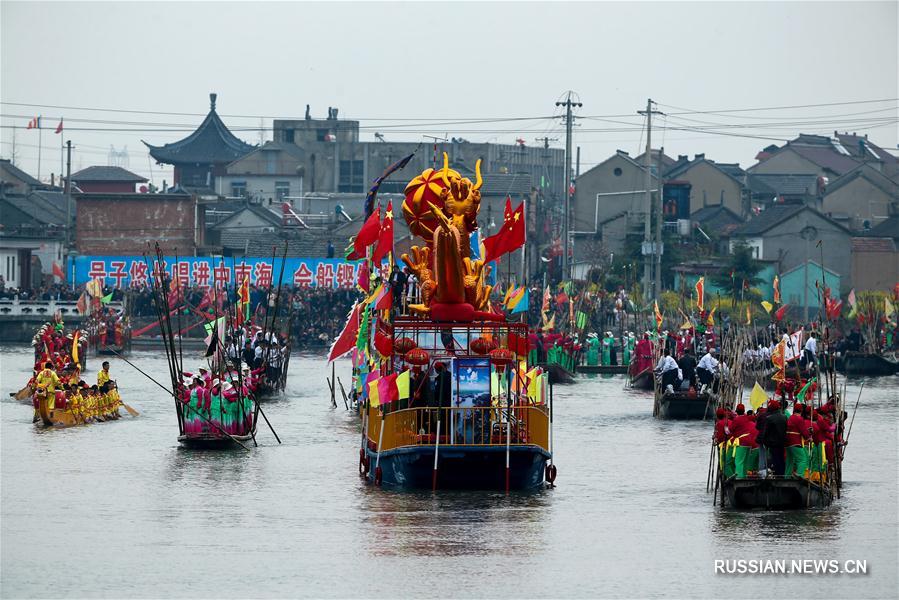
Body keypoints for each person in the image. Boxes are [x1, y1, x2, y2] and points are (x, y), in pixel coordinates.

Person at [785, 402, 812, 479]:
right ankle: (799, 475)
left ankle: (787, 477)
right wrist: (808, 438)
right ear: (801, 410)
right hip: (795, 441)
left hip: (787, 442)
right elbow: (803, 431)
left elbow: (797, 429)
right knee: (803, 459)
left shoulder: (790, 417)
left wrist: (807, 431)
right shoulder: (799, 419)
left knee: (789, 460)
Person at [762, 400, 787, 476]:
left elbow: (766, 432)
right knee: (781, 459)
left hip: (773, 443)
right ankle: (782, 474)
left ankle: (777, 474)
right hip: (782, 442)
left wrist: (764, 441)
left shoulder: (769, 418)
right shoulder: (784, 417)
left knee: (775, 459)